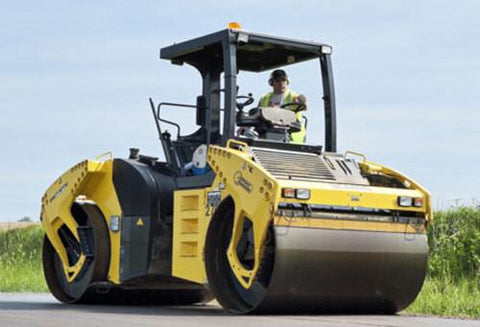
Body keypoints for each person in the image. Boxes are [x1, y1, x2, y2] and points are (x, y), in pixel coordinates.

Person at [258, 69, 307, 143]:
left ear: (287, 82)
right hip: (270, 132)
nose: (281, 83)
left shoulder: (292, 96)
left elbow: (302, 100)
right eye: (278, 81)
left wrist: (302, 99)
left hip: (291, 135)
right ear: (271, 83)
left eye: (283, 80)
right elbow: (257, 113)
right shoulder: (265, 98)